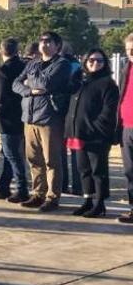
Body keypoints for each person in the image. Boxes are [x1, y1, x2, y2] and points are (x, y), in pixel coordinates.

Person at [12, 31, 72, 212]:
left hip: (49, 118)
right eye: (42, 41)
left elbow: (46, 84)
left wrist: (31, 82)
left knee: (51, 160)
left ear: (57, 46)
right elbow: (15, 83)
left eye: (49, 42)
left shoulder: (62, 64)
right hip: (29, 118)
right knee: (33, 158)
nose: (44, 44)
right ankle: (38, 193)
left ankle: (52, 197)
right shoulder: (33, 63)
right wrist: (29, 90)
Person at [65, 48, 118, 218]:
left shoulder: (108, 84)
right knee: (83, 169)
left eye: (100, 61)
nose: (95, 63)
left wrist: (95, 128)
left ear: (105, 63)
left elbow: (108, 112)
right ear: (85, 62)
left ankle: (99, 204)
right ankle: (87, 200)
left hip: (97, 136)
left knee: (98, 171)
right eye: (91, 60)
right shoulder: (81, 81)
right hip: (78, 134)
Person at [0, 39, 29, 203]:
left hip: (7, 118)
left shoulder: (2, 70)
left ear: (0, 51)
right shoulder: (24, 67)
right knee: (9, 155)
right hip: (22, 115)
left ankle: (21, 189)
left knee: (13, 156)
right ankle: (3, 187)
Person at [60, 43, 83, 196]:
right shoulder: (79, 66)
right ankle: (77, 186)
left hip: (59, 113)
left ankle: (62, 184)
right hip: (74, 113)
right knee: (75, 152)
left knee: (60, 152)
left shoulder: (58, 66)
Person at [116, 33, 133, 224]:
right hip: (126, 127)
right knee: (130, 171)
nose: (131, 54)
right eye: (128, 50)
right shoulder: (126, 69)